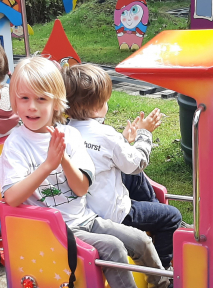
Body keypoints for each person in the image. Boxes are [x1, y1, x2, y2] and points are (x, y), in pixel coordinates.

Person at [0, 56, 172, 288]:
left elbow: (80, 189)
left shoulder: (70, 135)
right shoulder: (16, 144)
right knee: (113, 247)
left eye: (41, 99)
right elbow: (11, 198)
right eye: (24, 98)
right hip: (55, 231)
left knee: (140, 240)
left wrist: (63, 159)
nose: (31, 107)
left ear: (57, 102)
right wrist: (47, 165)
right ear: (14, 100)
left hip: (86, 219)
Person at [64, 64, 181, 276]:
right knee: (172, 216)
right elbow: (138, 163)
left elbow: (102, 155)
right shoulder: (106, 135)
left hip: (88, 206)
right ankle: (162, 270)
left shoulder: (65, 131)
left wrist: (124, 141)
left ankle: (153, 212)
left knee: (132, 176)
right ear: (98, 106)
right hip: (114, 215)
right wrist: (145, 134)